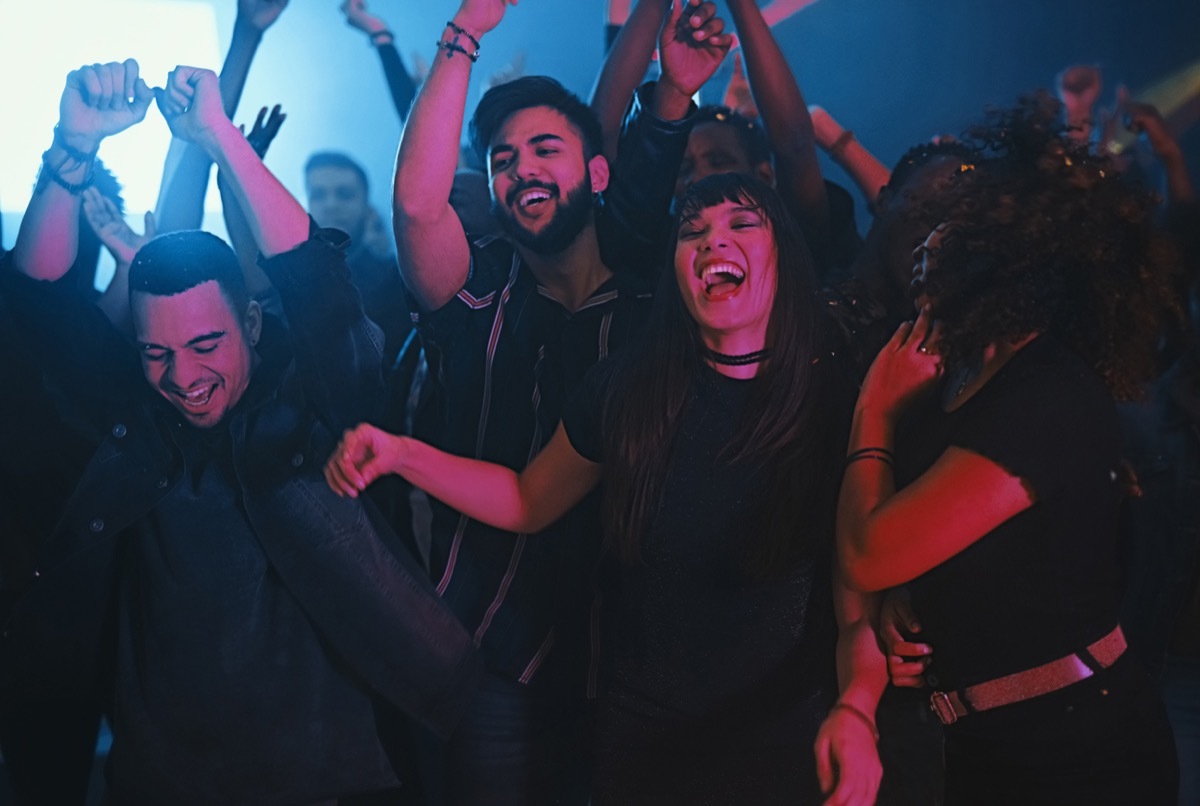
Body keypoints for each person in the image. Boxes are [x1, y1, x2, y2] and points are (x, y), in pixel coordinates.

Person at [0, 59, 479, 804]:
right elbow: (38, 311)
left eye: (204, 347)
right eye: (156, 352)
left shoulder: (318, 402)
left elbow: (316, 286)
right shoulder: (136, 424)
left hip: (342, 781)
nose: (183, 376)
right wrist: (73, 144)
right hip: (166, 784)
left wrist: (221, 137)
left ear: (253, 323)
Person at [330, 173, 884, 805]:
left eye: (741, 225)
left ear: (784, 253)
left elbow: (857, 592)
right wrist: (403, 454)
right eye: (692, 231)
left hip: (785, 737)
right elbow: (528, 500)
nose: (711, 243)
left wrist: (860, 711)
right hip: (645, 744)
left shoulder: (834, 396)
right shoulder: (630, 388)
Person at [389, 0, 730, 801]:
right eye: (503, 160)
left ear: (596, 174)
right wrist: (465, 33)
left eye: (545, 149)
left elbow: (647, 171)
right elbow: (415, 206)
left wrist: (673, 94)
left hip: (639, 659)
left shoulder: (654, 301)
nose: (521, 170)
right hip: (494, 657)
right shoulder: (475, 295)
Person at [837, 93, 1181, 804]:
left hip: (1080, 753)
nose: (926, 243)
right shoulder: (953, 372)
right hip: (981, 744)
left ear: (1005, 255)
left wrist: (871, 411)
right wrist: (911, 595)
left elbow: (869, 550)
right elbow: (935, 548)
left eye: (949, 230)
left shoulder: (1044, 393)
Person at [304, 150, 411, 365]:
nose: (331, 205)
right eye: (319, 195)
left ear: (367, 206)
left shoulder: (395, 278)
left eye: (344, 194)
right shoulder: (291, 275)